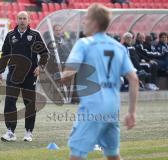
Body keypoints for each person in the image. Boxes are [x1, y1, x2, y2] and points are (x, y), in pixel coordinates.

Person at [61, 4, 139, 160]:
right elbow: (134, 79)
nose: (84, 22)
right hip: (112, 109)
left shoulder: (84, 44)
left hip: (92, 108)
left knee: (76, 155)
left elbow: (69, 73)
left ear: (95, 23)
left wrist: (61, 78)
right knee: (113, 155)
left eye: (87, 19)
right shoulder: (119, 47)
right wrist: (131, 112)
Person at [0, 11, 49, 142]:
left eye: (24, 18)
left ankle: (28, 132)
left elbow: (44, 53)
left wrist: (40, 67)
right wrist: (0, 71)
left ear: (29, 20)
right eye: (20, 18)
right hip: (13, 75)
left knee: (29, 104)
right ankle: (10, 132)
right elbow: (5, 54)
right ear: (16, 20)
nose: (22, 21)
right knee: (9, 102)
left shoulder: (35, 35)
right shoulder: (10, 36)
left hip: (30, 75)